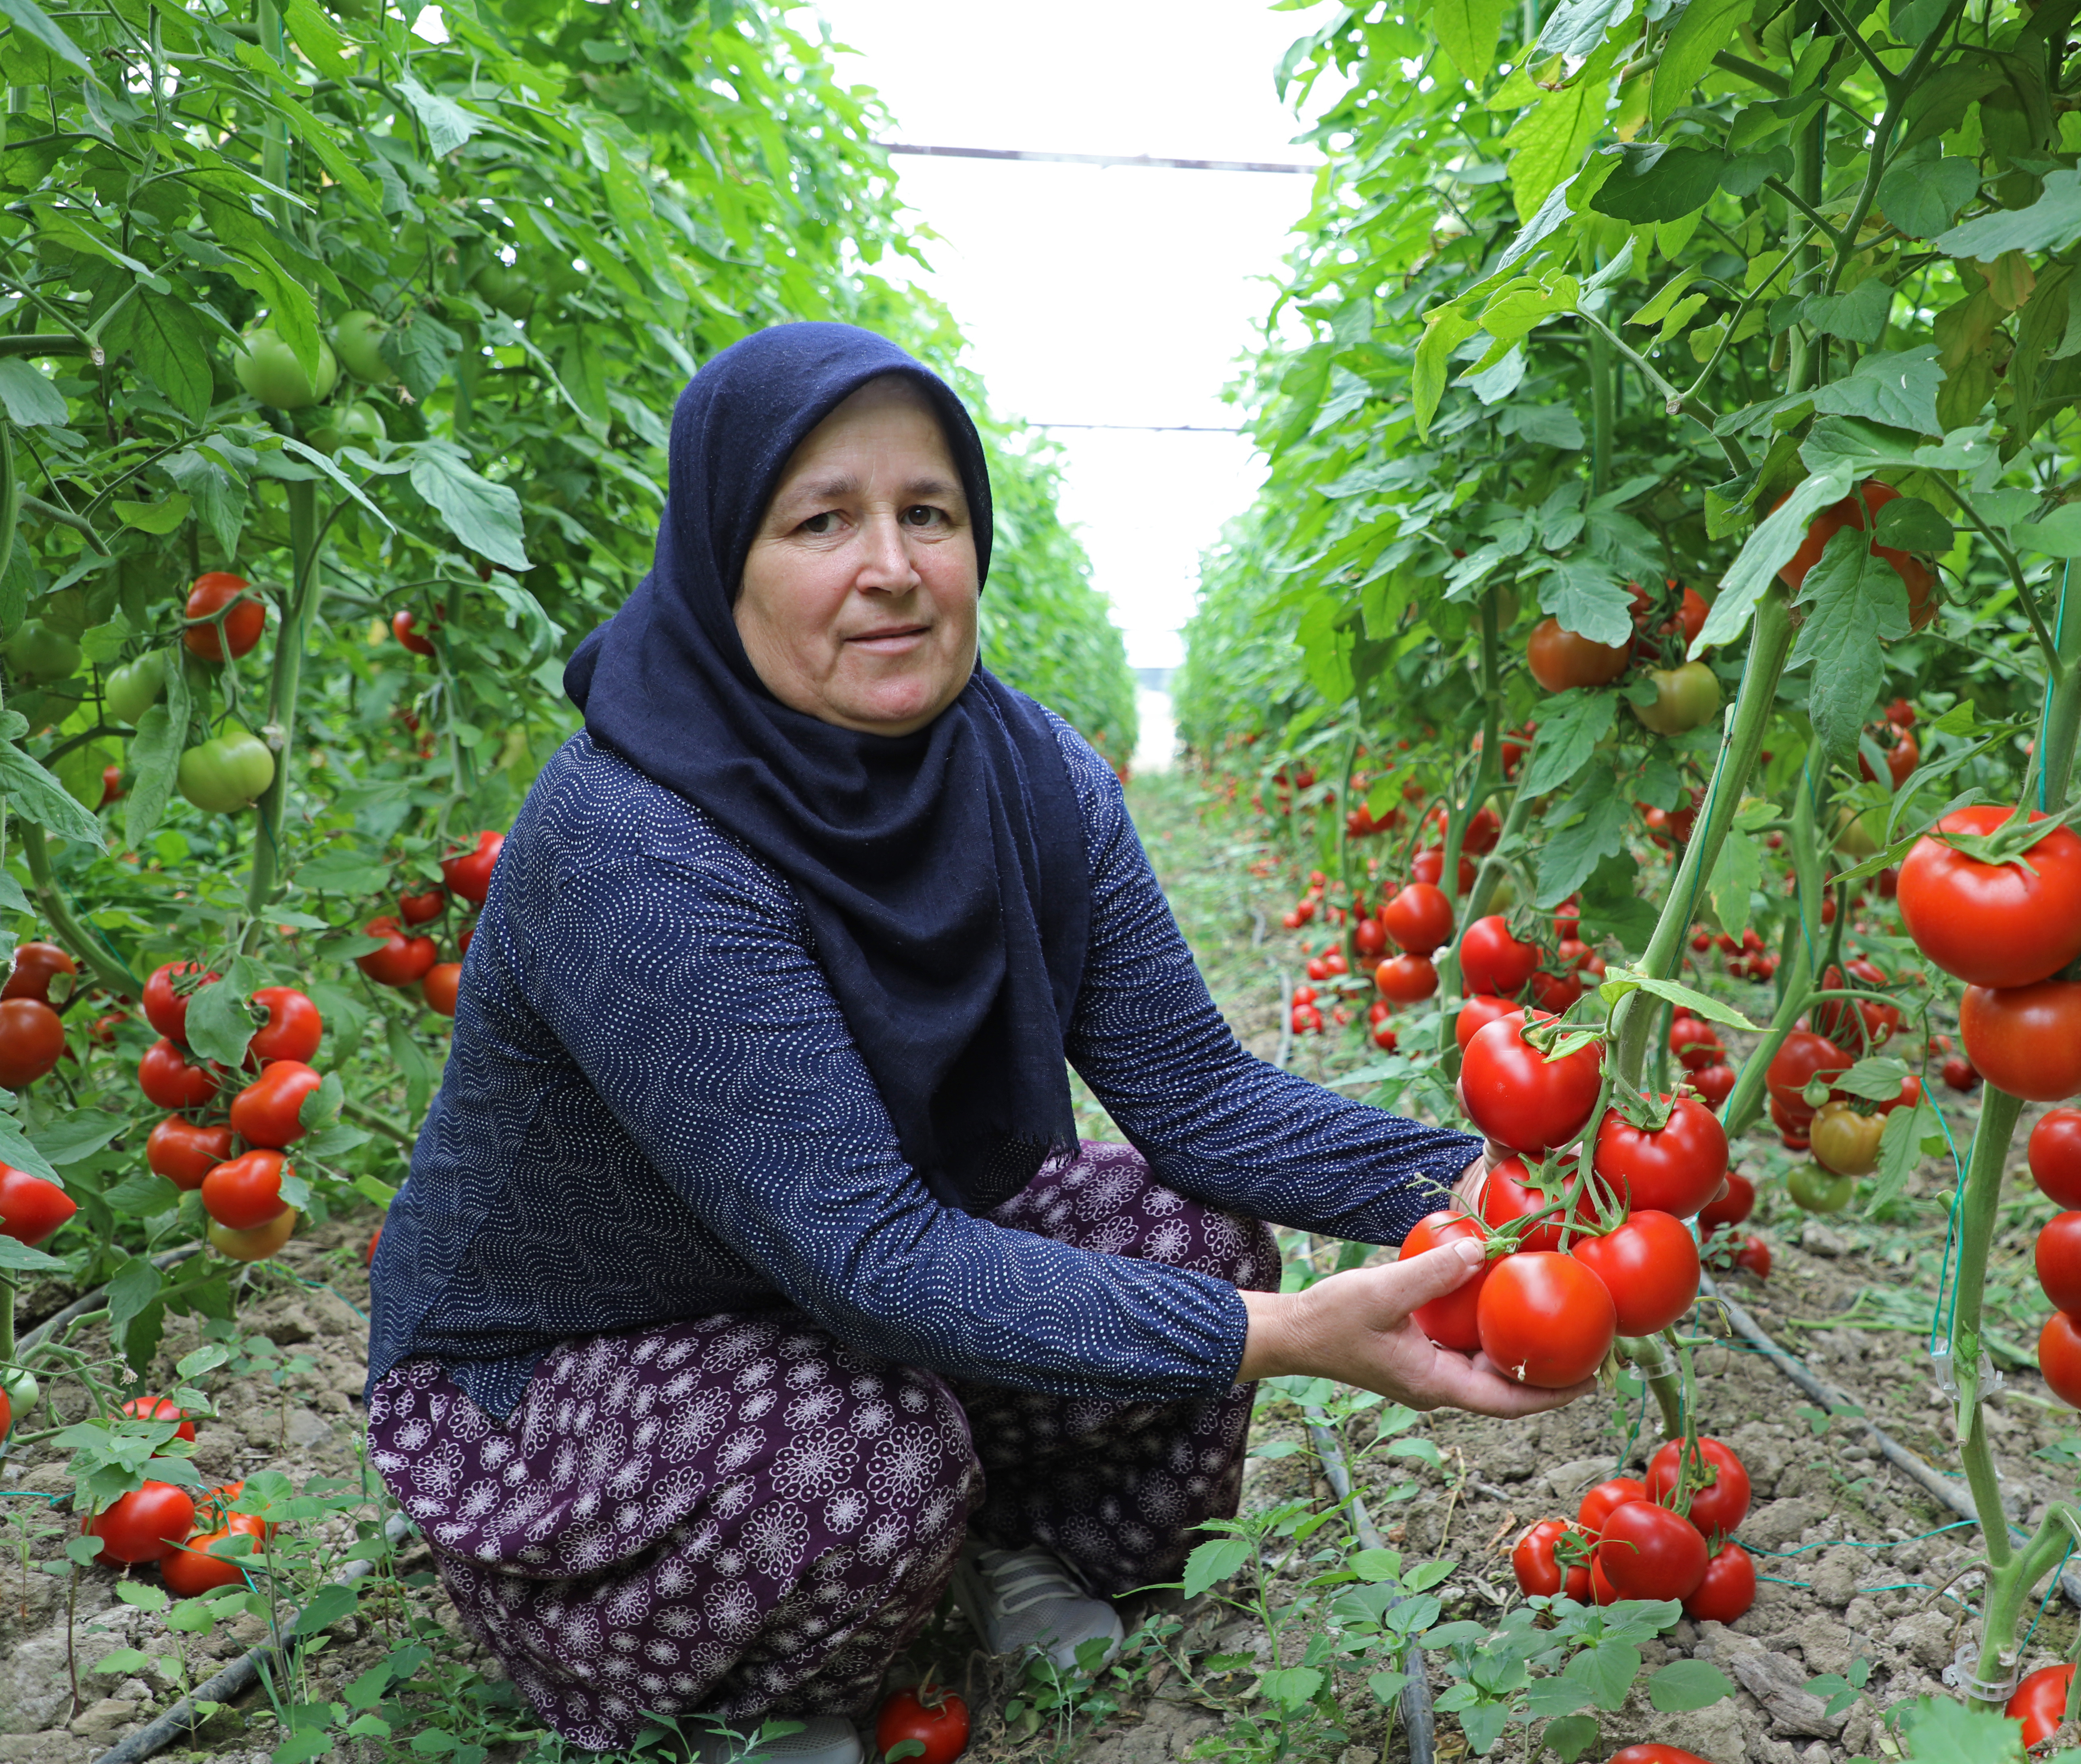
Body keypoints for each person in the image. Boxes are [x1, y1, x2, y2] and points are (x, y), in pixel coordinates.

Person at [364, 324, 1574, 1763]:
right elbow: (865, 1255)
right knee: (855, 1462)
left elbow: (1194, 1094)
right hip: (579, 1355)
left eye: (927, 513)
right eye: (823, 520)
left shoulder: (1032, 776)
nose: (893, 565)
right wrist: (1286, 1342)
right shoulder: (637, 842)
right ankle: (693, 1671)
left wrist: (1513, 1194)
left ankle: (997, 1541)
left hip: (847, 1278)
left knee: (1185, 1228)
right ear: (720, 561)